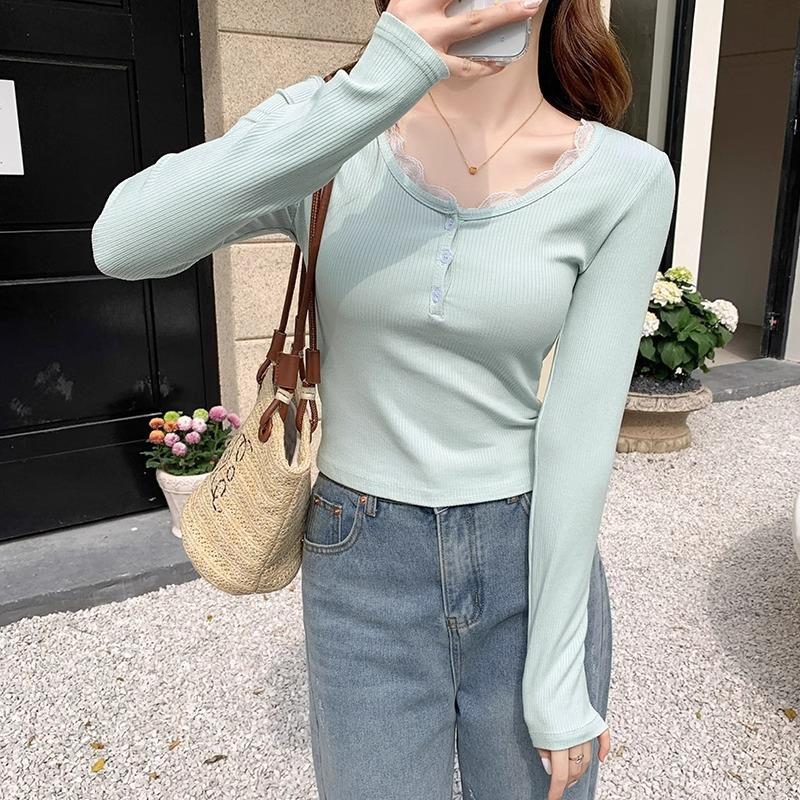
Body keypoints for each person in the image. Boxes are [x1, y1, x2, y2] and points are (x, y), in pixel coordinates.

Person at [91, 1, 676, 798]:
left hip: (528, 555)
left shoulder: (625, 178)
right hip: (362, 563)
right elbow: (123, 241)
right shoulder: (335, 127)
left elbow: (579, 430)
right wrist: (378, 86)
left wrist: (556, 670)